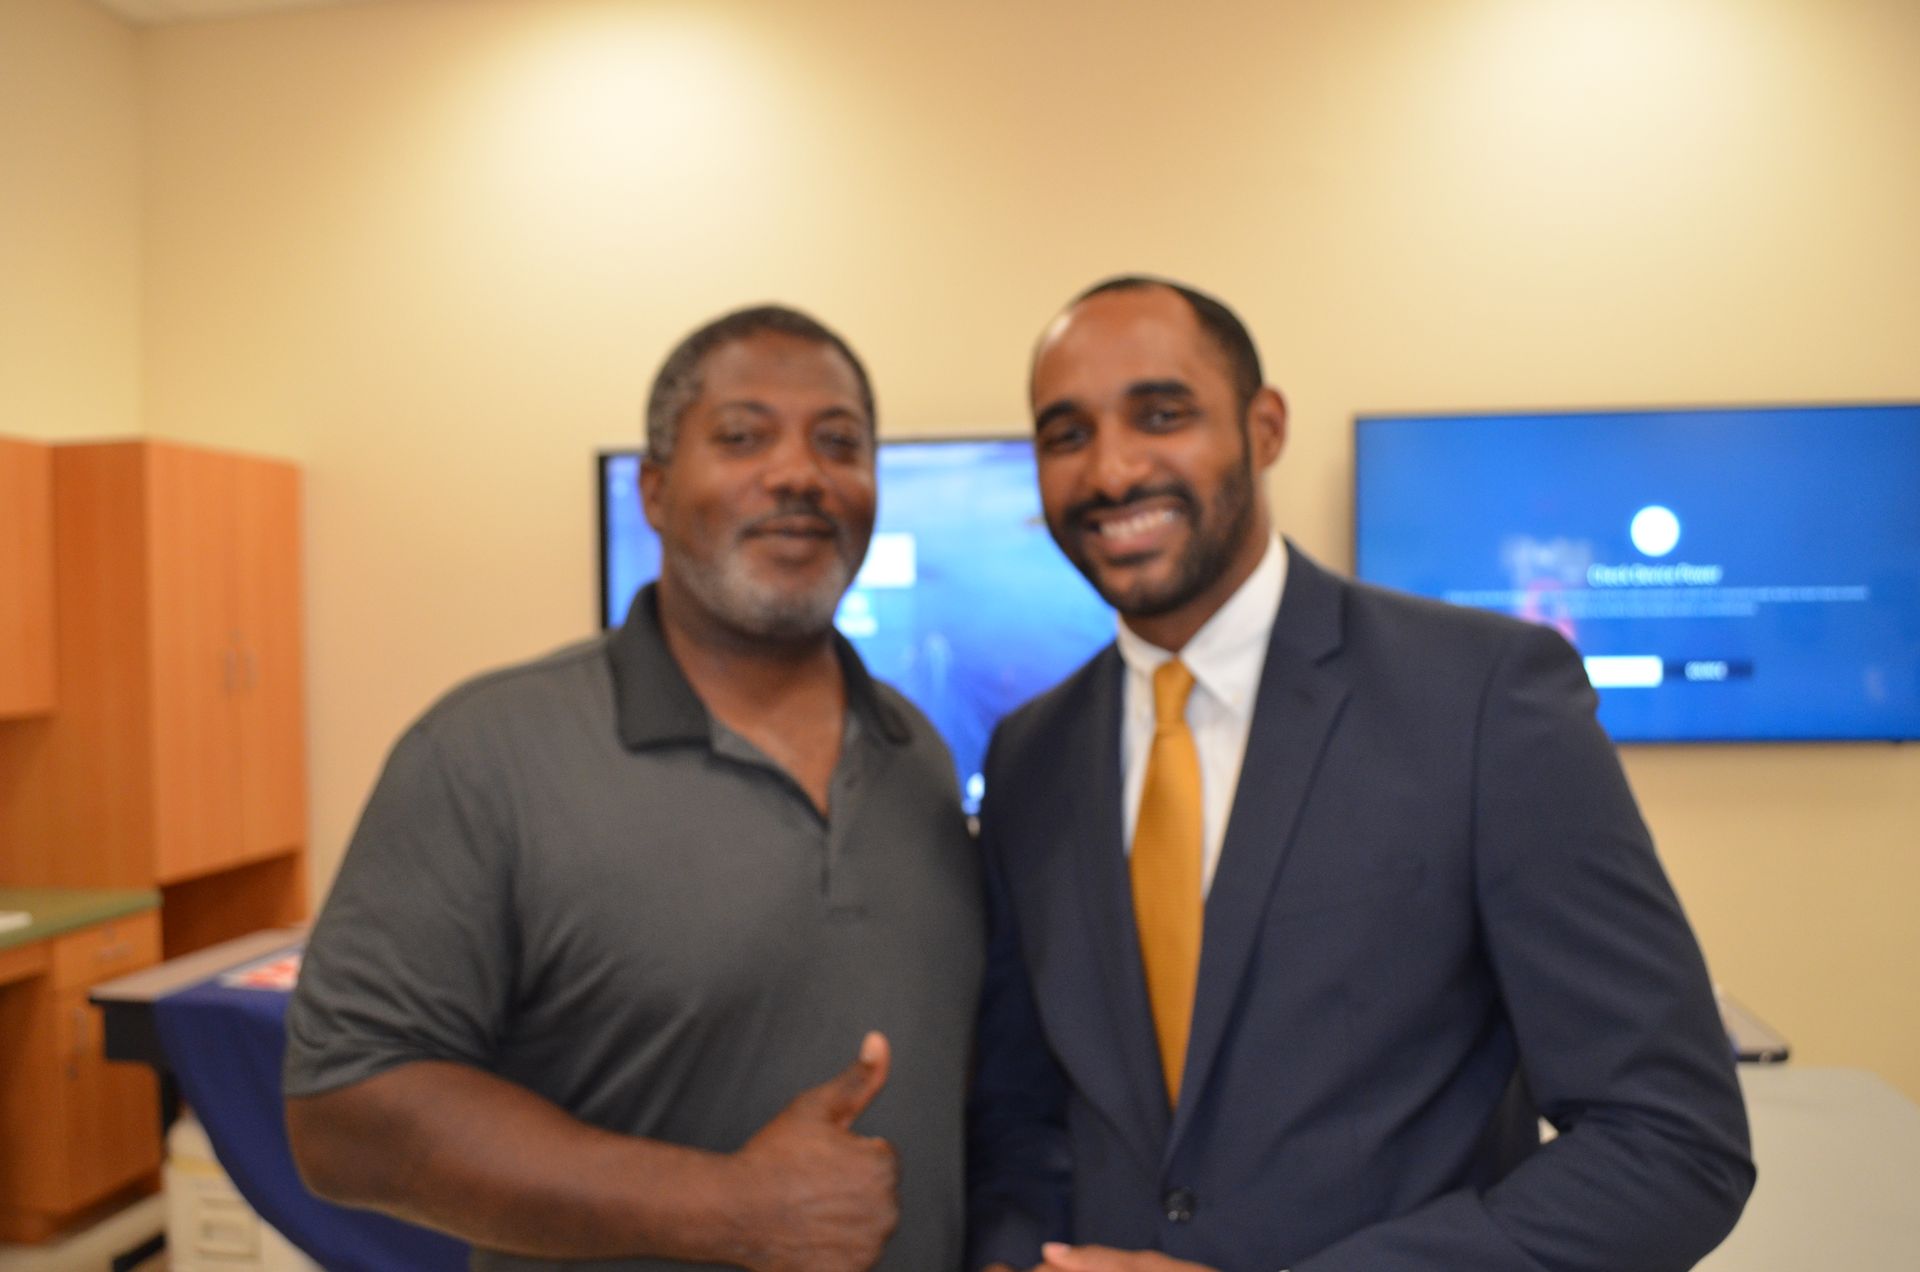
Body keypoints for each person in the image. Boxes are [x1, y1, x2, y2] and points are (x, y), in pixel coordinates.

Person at [965, 277, 1754, 1272]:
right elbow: (1024, 1119)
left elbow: (1672, 1144)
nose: (1112, 469)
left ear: (1264, 427)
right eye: (1066, 434)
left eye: (1162, 415)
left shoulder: (1482, 698)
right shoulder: (1030, 755)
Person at [284, 305, 984, 1272]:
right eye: (742, 437)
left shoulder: (920, 756)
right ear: (654, 490)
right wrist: (730, 1209)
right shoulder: (484, 755)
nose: (799, 474)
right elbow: (341, 1113)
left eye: (839, 444)